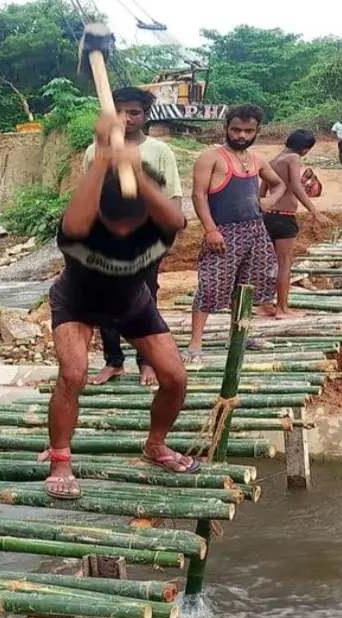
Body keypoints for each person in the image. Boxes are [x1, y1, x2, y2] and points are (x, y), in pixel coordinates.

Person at [44, 113, 196, 500]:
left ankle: (156, 445)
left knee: (175, 378)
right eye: (115, 224)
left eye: (132, 224)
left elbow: (177, 217)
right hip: (77, 302)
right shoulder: (81, 227)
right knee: (73, 374)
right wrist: (102, 156)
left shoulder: (160, 224)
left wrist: (135, 171)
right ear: (102, 215)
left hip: (132, 304)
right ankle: (60, 460)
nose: (124, 233)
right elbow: (78, 218)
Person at [83, 87, 183, 388]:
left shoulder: (159, 152)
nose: (127, 119)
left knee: (145, 298)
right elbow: (89, 195)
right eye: (121, 112)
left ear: (145, 116)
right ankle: (114, 361)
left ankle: (147, 362)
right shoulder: (95, 152)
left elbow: (174, 195)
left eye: (135, 112)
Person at [186, 104, 287, 361]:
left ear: (257, 131)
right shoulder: (211, 157)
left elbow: (279, 184)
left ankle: (239, 334)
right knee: (210, 286)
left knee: (247, 286)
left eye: (248, 131)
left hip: (255, 231)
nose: (241, 135)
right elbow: (198, 195)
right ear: (226, 128)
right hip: (223, 232)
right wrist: (210, 229)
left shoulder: (257, 160)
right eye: (236, 129)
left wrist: (267, 202)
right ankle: (195, 343)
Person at [263, 129, 329, 319]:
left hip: (268, 216)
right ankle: (282, 309)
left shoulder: (272, 161)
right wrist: (315, 212)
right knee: (285, 263)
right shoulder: (293, 158)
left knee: (270, 262)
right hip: (284, 216)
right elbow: (297, 187)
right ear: (305, 149)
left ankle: (266, 303)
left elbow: (262, 191)